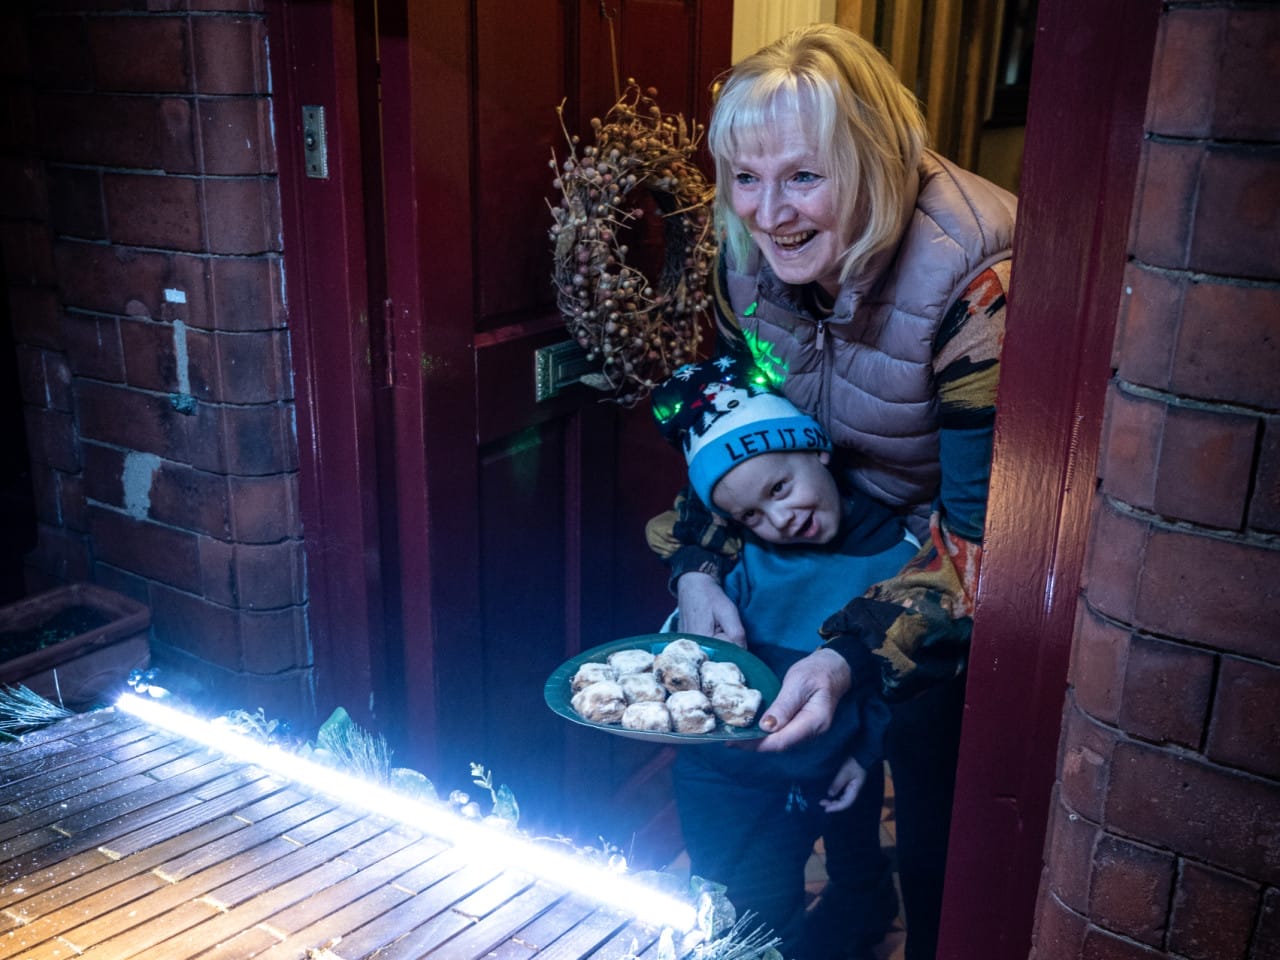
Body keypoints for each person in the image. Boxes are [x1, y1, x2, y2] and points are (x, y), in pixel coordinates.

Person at [645, 22, 1016, 960]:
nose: (768, 214)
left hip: (933, 564)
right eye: (745, 177)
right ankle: (831, 913)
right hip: (818, 525)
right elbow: (730, 430)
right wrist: (697, 570)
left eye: (803, 177)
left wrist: (853, 655)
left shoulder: (980, 283)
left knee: (934, 831)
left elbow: (984, 542)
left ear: (876, 162)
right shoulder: (745, 256)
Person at [649, 353, 919, 957]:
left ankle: (857, 908)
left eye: (780, 488)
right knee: (740, 904)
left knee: (835, 861)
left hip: (819, 764)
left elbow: (894, 680)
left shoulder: (899, 562)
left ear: (816, 450)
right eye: (751, 514)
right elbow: (690, 643)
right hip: (719, 772)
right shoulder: (744, 555)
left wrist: (865, 756)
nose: (779, 519)